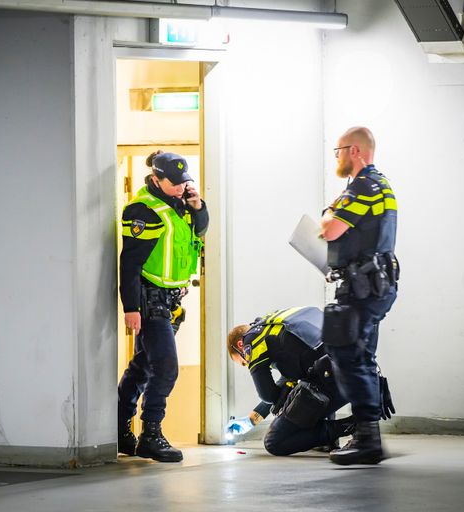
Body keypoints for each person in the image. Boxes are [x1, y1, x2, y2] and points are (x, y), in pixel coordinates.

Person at [117, 150, 209, 462]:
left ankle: (119, 428)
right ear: (156, 179)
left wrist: (198, 207)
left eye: (184, 182)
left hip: (171, 303)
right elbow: (129, 263)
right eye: (174, 183)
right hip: (149, 301)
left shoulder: (181, 204)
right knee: (166, 368)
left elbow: (200, 230)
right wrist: (131, 307)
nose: (182, 187)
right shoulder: (144, 209)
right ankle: (150, 435)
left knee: (142, 366)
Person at [320, 126, 399, 465]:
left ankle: (367, 438)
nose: (336, 158)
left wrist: (327, 214)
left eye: (338, 151)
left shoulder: (364, 186)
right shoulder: (380, 185)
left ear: (355, 151)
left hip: (363, 287)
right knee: (360, 355)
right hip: (373, 284)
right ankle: (367, 434)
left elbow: (329, 229)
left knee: (349, 353)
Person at [225, 306, 356, 456]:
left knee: (274, 442)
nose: (247, 363)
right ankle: (329, 440)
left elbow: (269, 395)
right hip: (355, 374)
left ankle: (351, 425)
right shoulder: (274, 325)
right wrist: (251, 420)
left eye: (243, 361)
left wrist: (284, 401)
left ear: (240, 345)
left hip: (333, 380)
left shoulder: (251, 340)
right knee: (306, 391)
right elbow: (287, 381)